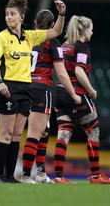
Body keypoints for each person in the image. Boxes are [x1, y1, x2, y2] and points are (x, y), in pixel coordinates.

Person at [0, 0, 66, 184]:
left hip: (26, 89)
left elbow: (56, 31)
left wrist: (62, 14)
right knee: (5, 134)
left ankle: (9, 176)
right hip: (8, 86)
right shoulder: (1, 37)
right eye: (7, 14)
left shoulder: (29, 37)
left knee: (16, 135)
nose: (8, 17)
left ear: (21, 17)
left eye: (12, 14)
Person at [52, 15, 110, 184]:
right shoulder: (82, 47)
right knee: (93, 131)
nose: (92, 32)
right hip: (76, 93)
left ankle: (58, 176)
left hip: (59, 92)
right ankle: (96, 175)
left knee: (64, 133)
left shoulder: (65, 46)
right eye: (91, 29)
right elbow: (79, 72)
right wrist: (91, 90)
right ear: (84, 30)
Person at [20, 10, 81, 184]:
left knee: (43, 131)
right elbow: (61, 74)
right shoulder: (53, 43)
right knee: (34, 133)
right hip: (41, 89)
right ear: (52, 25)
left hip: (24, 87)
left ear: (35, 23)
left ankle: (40, 174)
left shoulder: (26, 39)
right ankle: (25, 175)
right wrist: (73, 94)